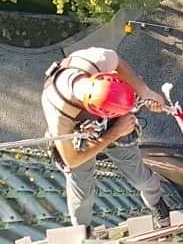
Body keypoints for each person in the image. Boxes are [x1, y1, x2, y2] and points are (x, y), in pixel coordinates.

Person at [42, 46, 172, 232]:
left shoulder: (93, 61)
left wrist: (144, 92)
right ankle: (83, 230)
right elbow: (71, 160)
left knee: (140, 178)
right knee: (82, 189)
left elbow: (118, 61)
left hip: (115, 124)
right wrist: (115, 132)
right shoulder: (59, 113)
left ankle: (156, 202)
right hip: (79, 139)